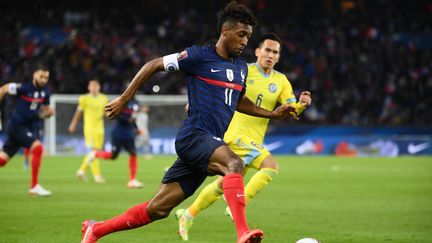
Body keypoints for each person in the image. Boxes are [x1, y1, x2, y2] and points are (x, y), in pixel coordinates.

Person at [81, 2, 297, 243]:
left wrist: (273, 114)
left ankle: (96, 230)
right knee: (234, 164)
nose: (246, 41)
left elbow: (239, 101)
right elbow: (153, 65)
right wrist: (124, 98)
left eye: (249, 36)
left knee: (158, 209)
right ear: (225, 31)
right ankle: (242, 233)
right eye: (242, 35)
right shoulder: (198, 55)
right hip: (194, 136)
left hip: (209, 144)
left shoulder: (240, 69)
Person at [174, 33, 312, 240]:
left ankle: (187, 214)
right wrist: (198, 103)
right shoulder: (243, 70)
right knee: (271, 166)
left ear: (279, 57)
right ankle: (235, 207)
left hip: (255, 138)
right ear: (258, 51)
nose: (271, 55)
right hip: (235, 133)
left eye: (275, 52)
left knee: (224, 185)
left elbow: (289, 110)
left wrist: (300, 105)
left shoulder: (281, 81)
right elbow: (218, 87)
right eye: (267, 50)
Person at [0, 64, 54, 196]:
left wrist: (48, 114)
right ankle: (34, 186)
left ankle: (34, 186)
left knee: (2, 160)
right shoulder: (23, 88)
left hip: (26, 128)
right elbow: (3, 89)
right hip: (17, 126)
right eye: (41, 76)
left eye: (46, 77)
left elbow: (44, 112)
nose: (43, 80)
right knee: (38, 148)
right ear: (34, 75)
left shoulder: (46, 92)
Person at [86, 98, 144, 189]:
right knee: (113, 156)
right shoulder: (120, 102)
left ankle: (132, 180)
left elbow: (133, 120)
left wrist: (136, 129)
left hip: (129, 134)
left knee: (133, 153)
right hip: (118, 134)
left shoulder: (135, 103)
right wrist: (129, 118)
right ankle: (96, 153)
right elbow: (119, 117)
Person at [68, 80, 108, 183]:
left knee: (96, 152)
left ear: (99, 87)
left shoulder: (104, 98)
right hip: (89, 128)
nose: (94, 88)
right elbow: (78, 112)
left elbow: (105, 113)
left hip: (100, 128)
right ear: (89, 87)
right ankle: (97, 176)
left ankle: (82, 170)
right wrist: (73, 124)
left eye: (96, 86)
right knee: (93, 151)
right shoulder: (84, 98)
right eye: (92, 86)